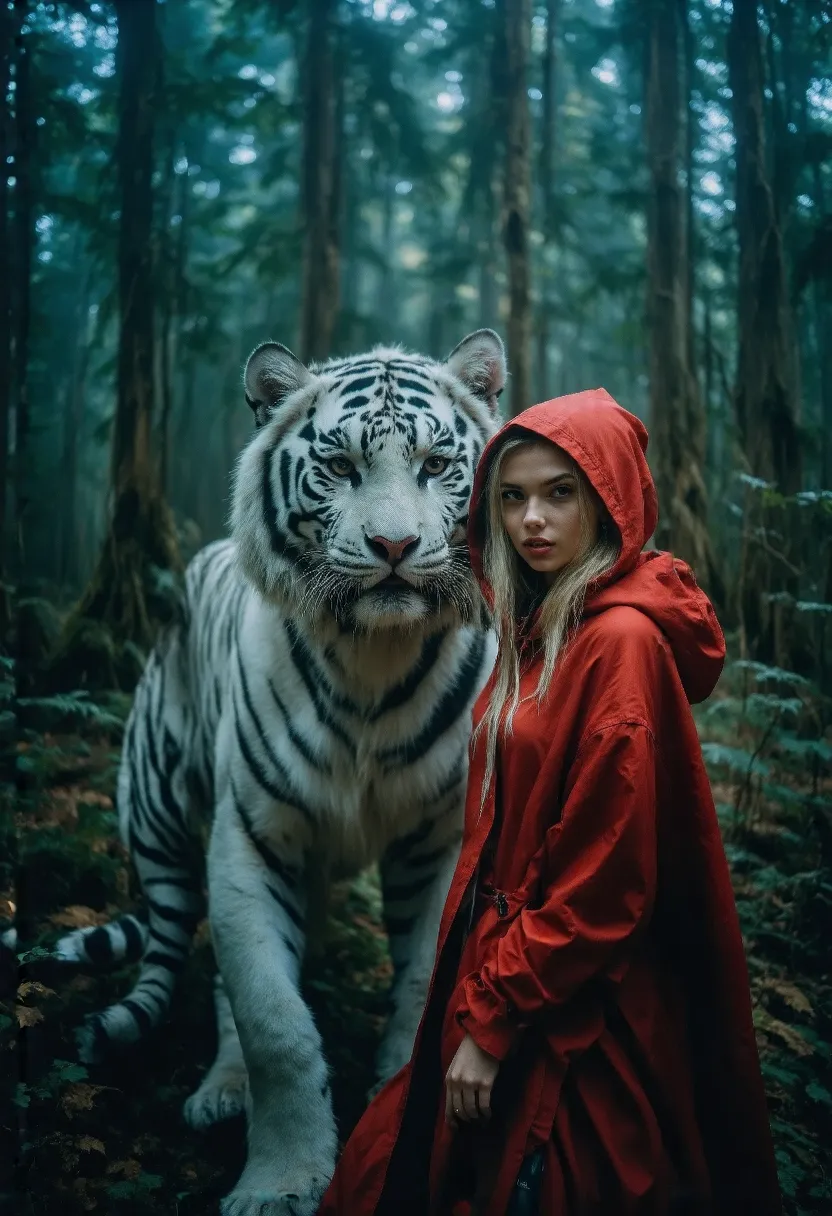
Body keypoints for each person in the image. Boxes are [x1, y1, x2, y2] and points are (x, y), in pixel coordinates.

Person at [316, 389, 781, 1216]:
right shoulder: (543, 625)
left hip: (568, 1000)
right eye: (513, 496)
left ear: (610, 497)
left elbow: (603, 881)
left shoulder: (619, 642)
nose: (533, 519)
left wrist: (495, 1024)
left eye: (560, 492)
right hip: (508, 962)